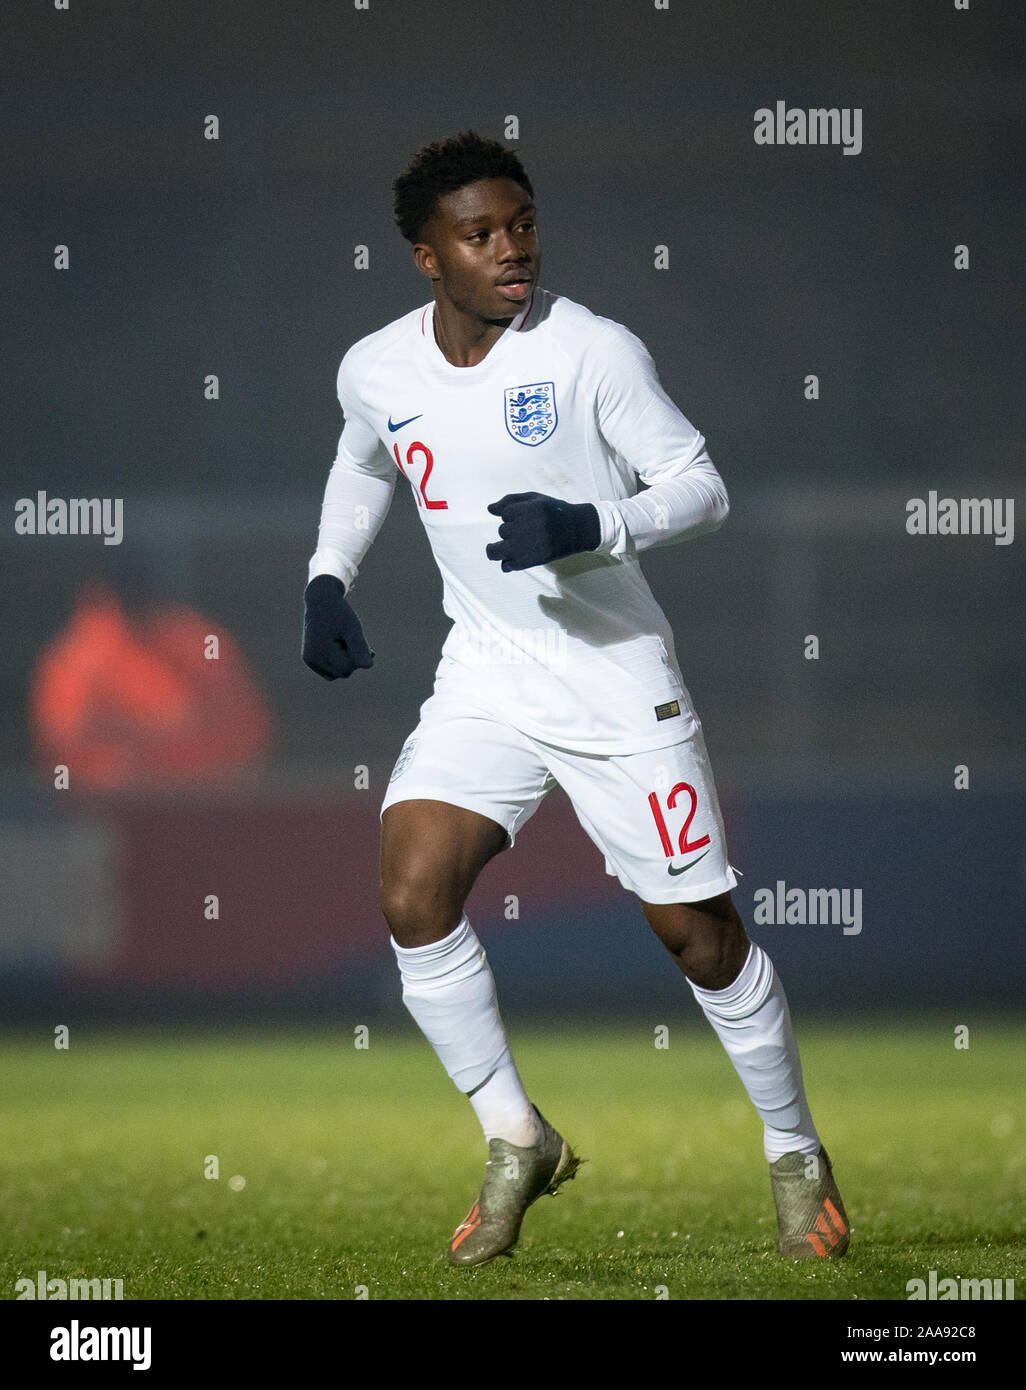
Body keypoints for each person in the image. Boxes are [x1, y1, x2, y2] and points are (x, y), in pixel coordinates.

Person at [302, 131, 849, 1268]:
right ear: (425, 257)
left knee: (696, 937)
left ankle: (794, 1149)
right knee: (412, 888)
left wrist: (595, 526)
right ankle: (517, 1137)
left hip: (614, 680)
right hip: (487, 675)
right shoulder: (376, 367)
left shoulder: (592, 350)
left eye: (525, 223)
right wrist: (326, 577)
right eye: (483, 233)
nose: (514, 250)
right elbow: (366, 458)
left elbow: (701, 485)